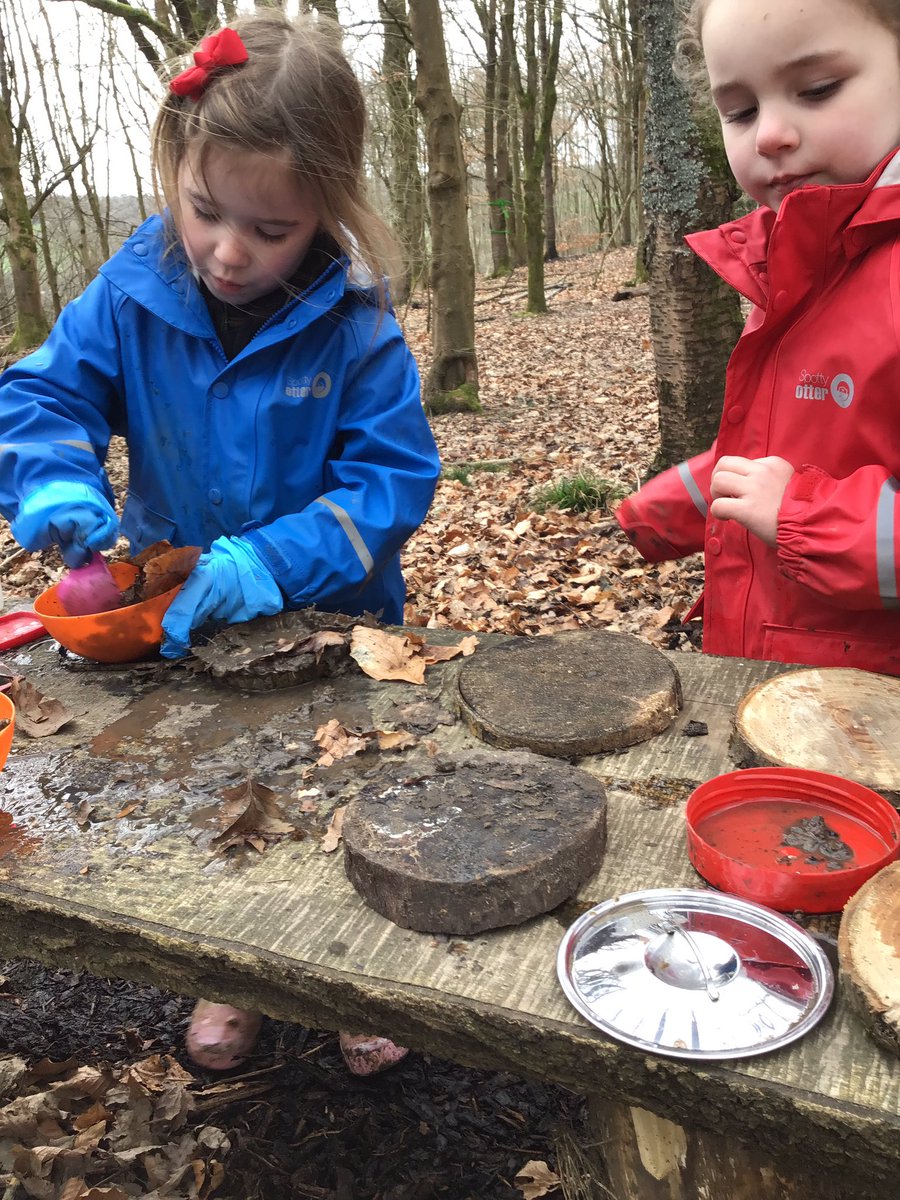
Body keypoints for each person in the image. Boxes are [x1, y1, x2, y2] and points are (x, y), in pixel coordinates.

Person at [0, 11, 440, 1073]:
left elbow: (390, 484)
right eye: (206, 212)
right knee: (215, 797)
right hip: (174, 618)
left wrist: (271, 562)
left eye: (271, 230)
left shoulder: (359, 330)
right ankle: (230, 976)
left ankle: (351, 972)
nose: (229, 251)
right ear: (175, 172)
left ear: (325, 213)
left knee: (341, 802)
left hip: (338, 624)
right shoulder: (132, 291)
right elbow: (47, 393)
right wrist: (55, 476)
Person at [615, 0, 900, 676]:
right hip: (774, 673)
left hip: (872, 719)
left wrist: (801, 516)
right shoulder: (790, 261)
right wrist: (662, 511)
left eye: (818, 89)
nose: (770, 133)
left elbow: (788, 493)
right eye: (739, 111)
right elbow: (777, 449)